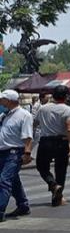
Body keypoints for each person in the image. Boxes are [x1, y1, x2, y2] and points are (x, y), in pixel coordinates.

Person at [33, 85, 70, 207]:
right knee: (61, 170)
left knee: (41, 166)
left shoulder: (43, 109)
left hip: (45, 141)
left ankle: (52, 184)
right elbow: (69, 129)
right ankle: (58, 196)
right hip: (61, 142)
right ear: (66, 96)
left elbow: (35, 123)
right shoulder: (68, 110)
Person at [0, 90, 33, 221]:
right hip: (2, 152)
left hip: (14, 152)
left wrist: (27, 153)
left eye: (2, 99)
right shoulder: (4, 115)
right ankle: (23, 205)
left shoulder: (24, 115)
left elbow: (28, 136)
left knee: (4, 181)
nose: (0, 101)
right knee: (13, 181)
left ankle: (0, 210)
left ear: (10, 100)